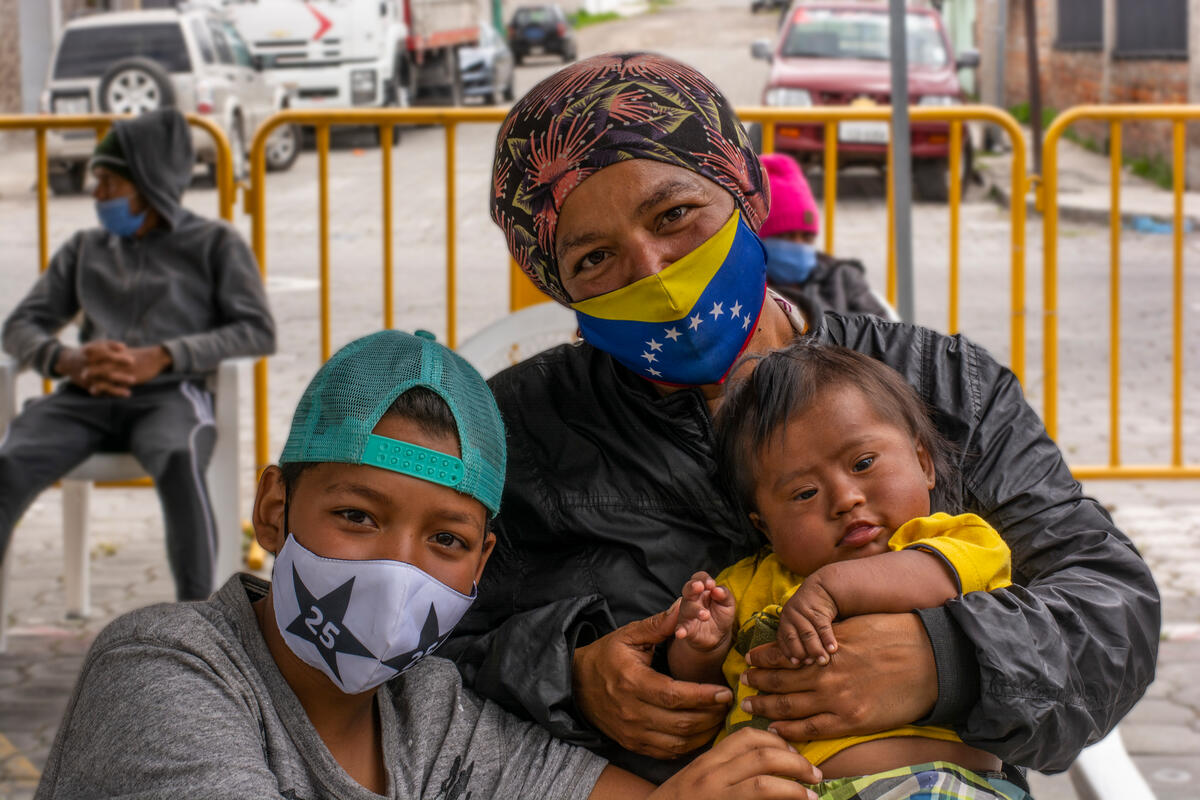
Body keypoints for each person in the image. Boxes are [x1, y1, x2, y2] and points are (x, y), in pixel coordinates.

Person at [443, 51, 1160, 786]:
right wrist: (563, 674)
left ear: (744, 190)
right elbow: (407, 669)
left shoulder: (944, 385)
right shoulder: (512, 433)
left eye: (676, 215)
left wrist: (942, 660)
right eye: (595, 258)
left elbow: (1111, 609)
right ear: (557, 284)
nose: (654, 271)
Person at [35, 329, 822, 799]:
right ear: (274, 509)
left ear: (481, 564)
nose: (395, 568)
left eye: (444, 540)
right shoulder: (164, 666)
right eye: (356, 516)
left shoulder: (431, 713)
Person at [668, 341, 1024, 799]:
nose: (844, 499)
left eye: (863, 464)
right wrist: (700, 649)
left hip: (939, 786)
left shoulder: (952, 540)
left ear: (923, 462)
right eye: (803, 493)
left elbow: (935, 579)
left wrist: (832, 587)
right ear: (765, 526)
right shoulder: (747, 583)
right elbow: (709, 698)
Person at [0, 109, 275, 601]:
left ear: (149, 184)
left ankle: (198, 625)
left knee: (178, 455)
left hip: (171, 396)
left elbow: (256, 330)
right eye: (96, 180)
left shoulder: (214, 245)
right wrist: (66, 361)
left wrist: (167, 356)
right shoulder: (85, 249)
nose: (96, 193)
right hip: (84, 396)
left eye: (108, 181)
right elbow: (20, 325)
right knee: (10, 461)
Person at [757, 153, 889, 319]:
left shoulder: (842, 278)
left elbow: (886, 337)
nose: (799, 245)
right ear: (760, 238)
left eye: (807, 237)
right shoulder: (746, 292)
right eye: (788, 237)